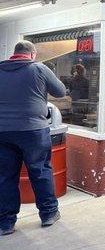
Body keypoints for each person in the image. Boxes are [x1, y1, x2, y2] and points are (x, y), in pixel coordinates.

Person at [0, 41, 67, 236]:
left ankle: (5, 223)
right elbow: (61, 92)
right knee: (40, 171)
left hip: (3, 132)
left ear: (14, 53)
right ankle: (48, 214)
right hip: (33, 131)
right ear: (32, 54)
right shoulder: (38, 68)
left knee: (5, 177)